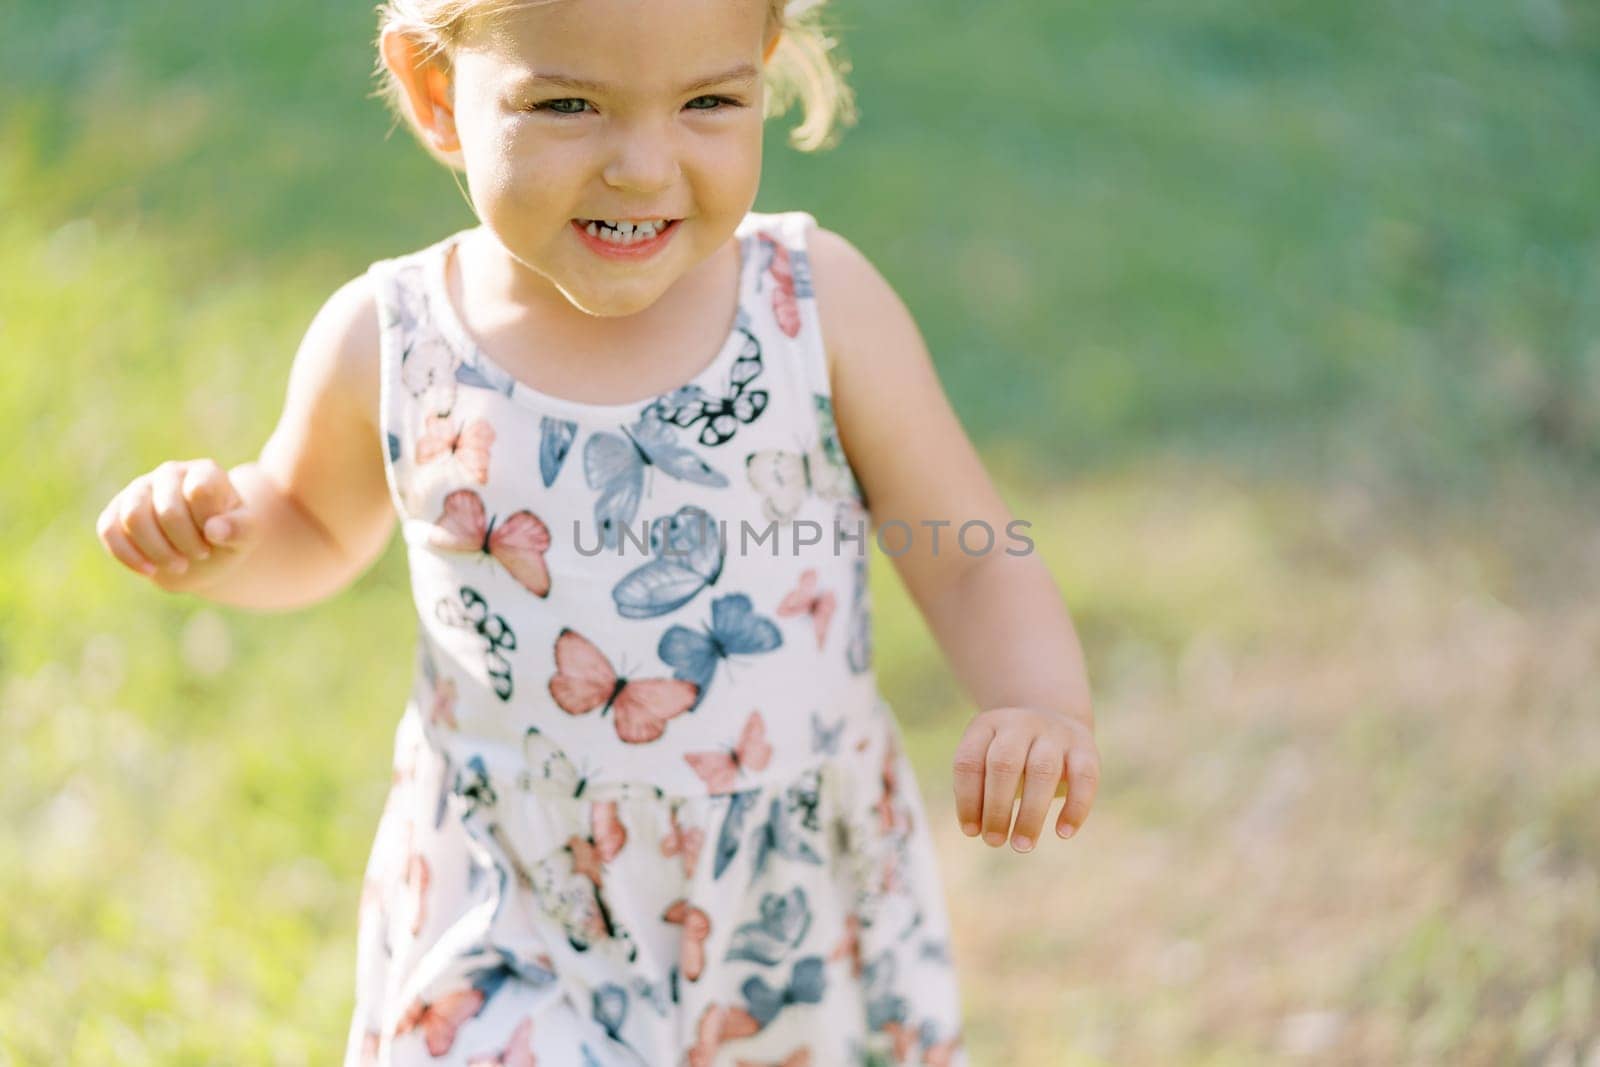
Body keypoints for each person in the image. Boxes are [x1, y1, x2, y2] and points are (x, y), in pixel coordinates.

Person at [93, 0, 1100, 1062]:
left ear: (762, 67)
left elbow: (967, 551)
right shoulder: (392, 338)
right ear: (438, 93)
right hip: (515, 891)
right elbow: (307, 521)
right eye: (568, 104)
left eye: (708, 101)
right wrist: (229, 536)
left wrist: (1039, 701)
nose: (642, 167)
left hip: (782, 903)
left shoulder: (813, 307)